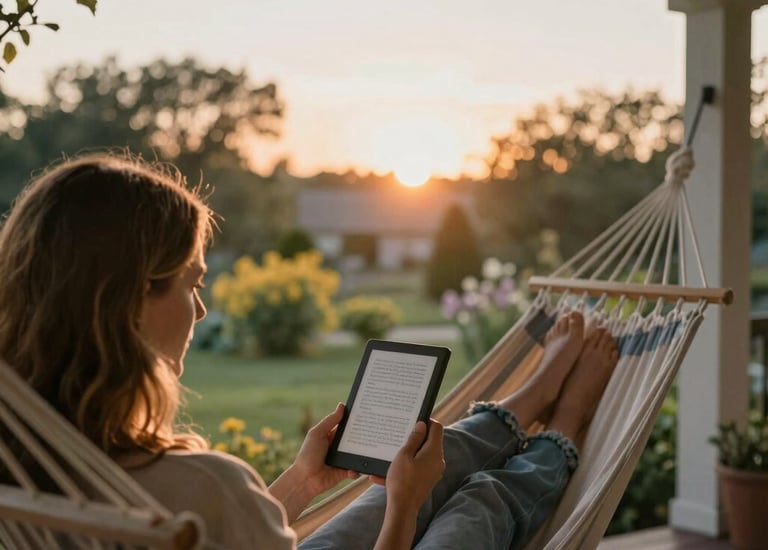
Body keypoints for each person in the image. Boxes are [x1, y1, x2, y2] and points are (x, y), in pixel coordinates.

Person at [0, 153, 619, 550]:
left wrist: (303, 481)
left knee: (412, 470)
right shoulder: (204, 484)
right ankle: (562, 427)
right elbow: (215, 509)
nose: (200, 310)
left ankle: (527, 398)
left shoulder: (30, 463)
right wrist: (404, 508)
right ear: (131, 300)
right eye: (192, 283)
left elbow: (213, 530)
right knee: (473, 506)